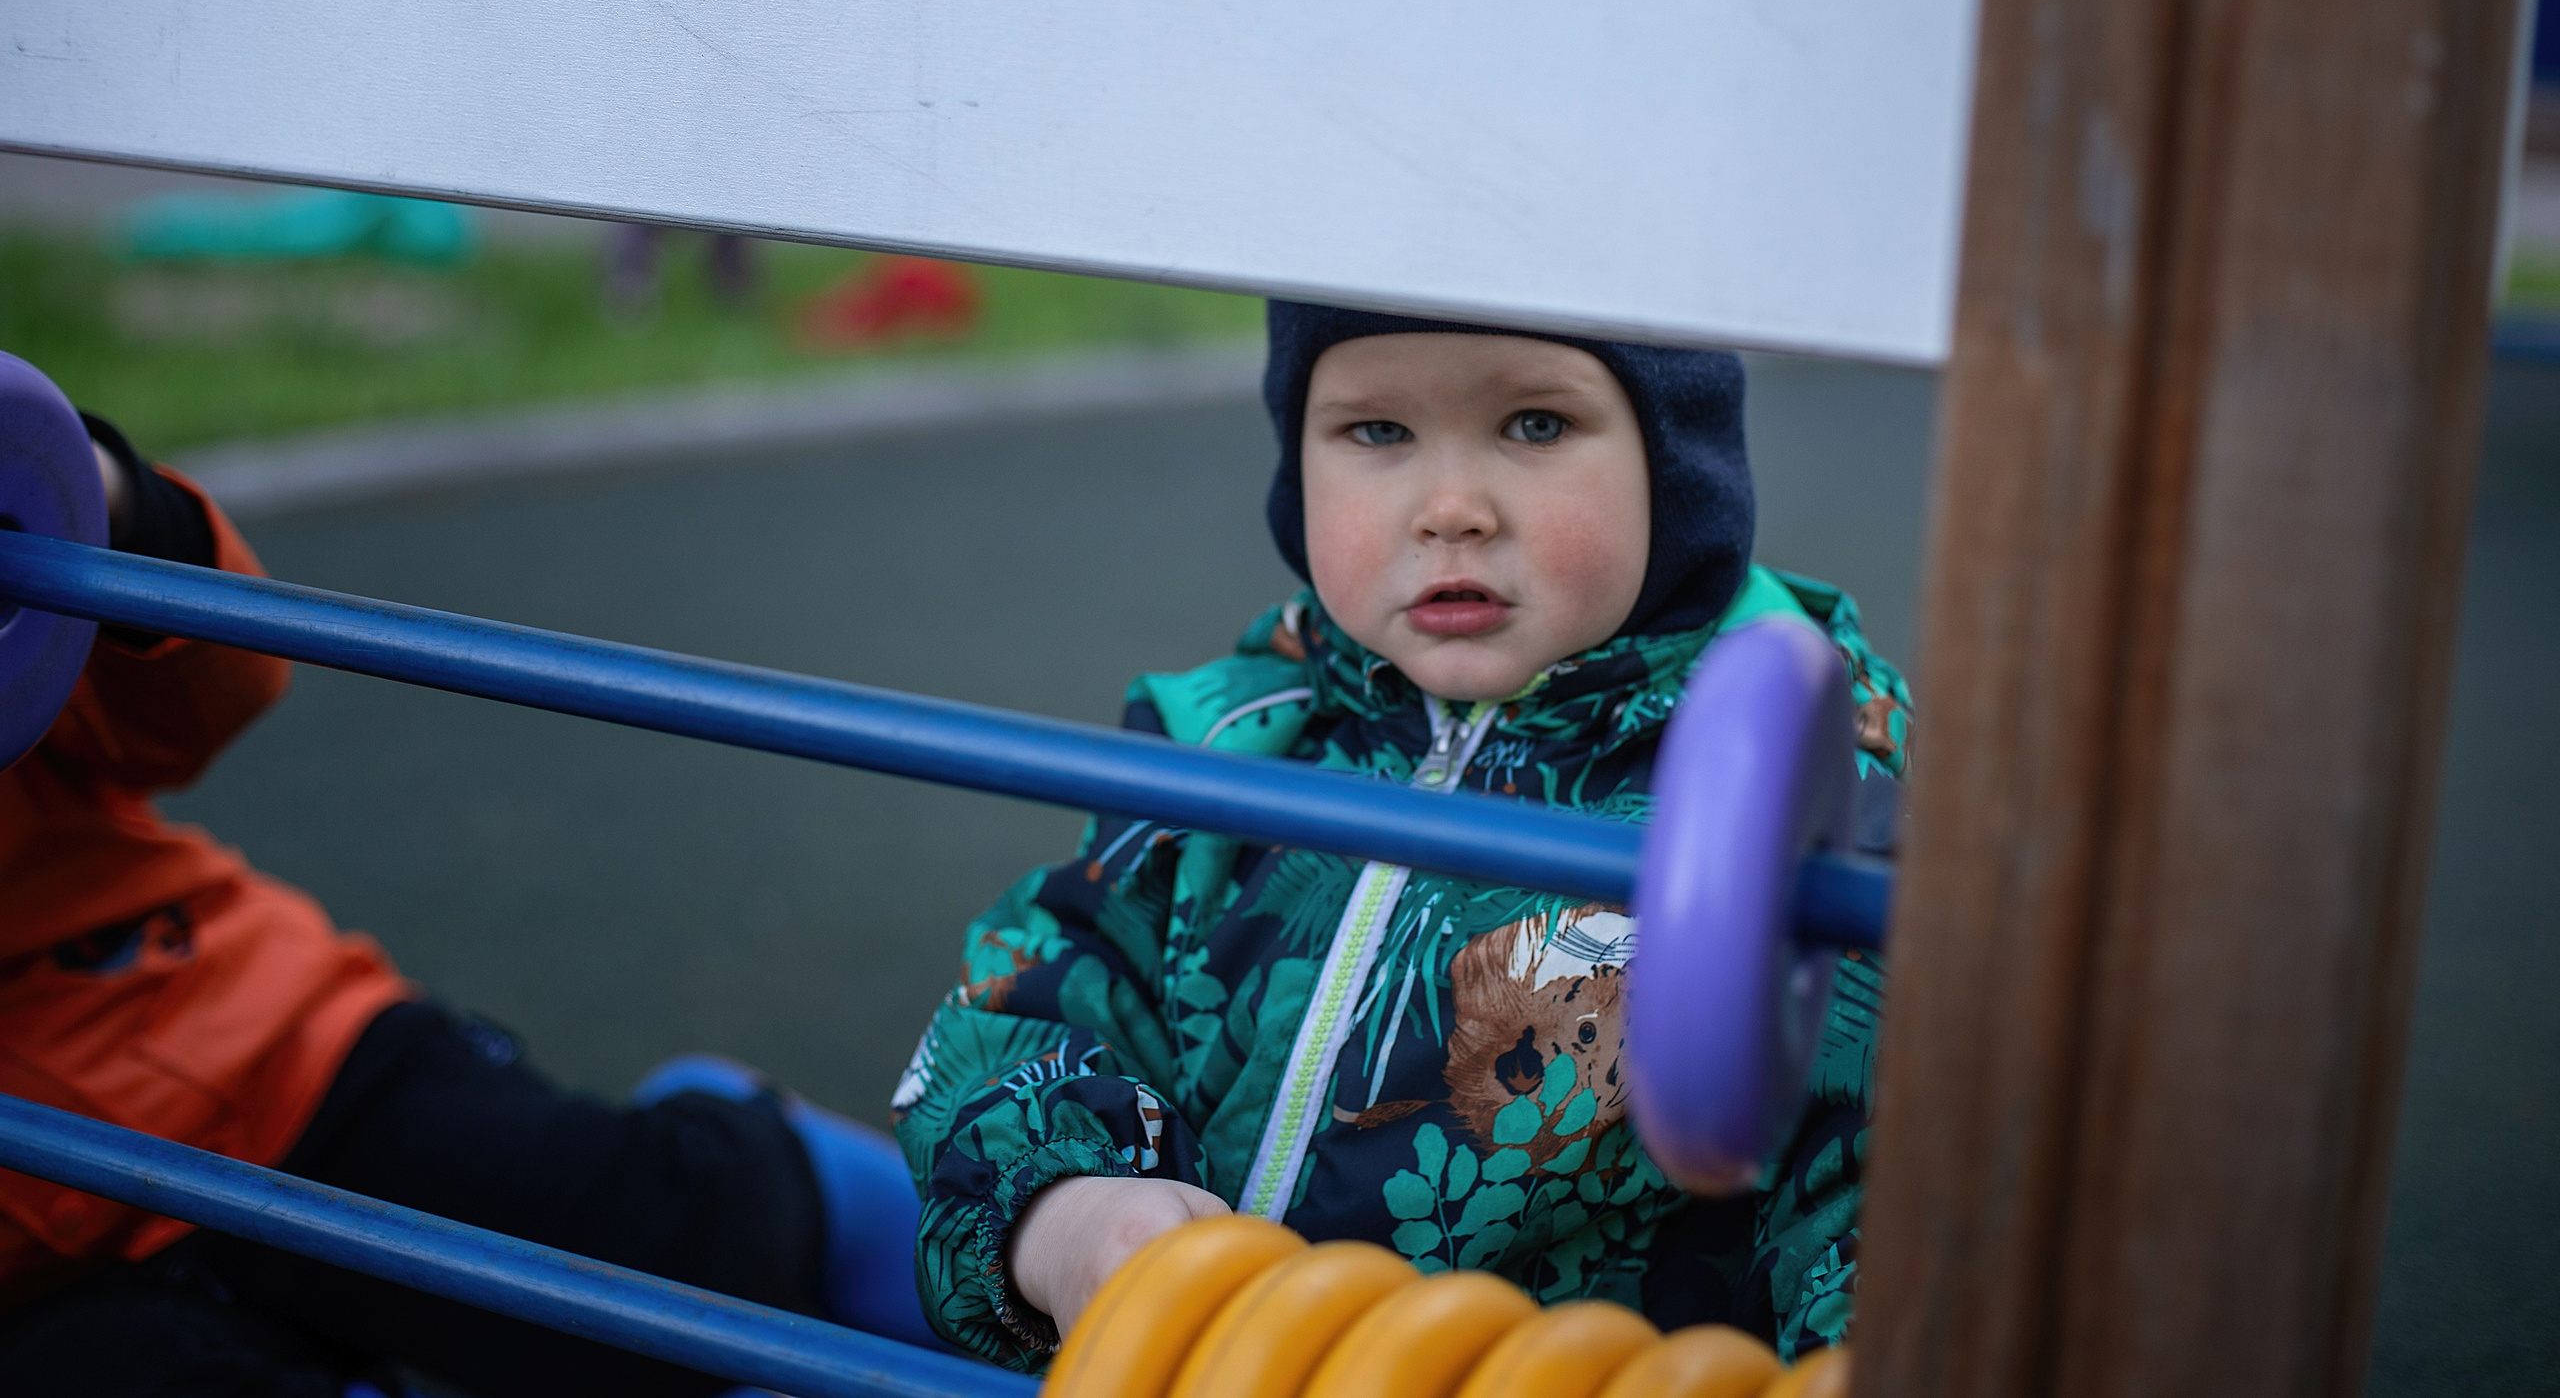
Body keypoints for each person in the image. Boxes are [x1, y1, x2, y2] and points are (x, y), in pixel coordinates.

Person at [892, 305, 1912, 1372]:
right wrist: (1067, 1216)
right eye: (1377, 433)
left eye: (1533, 425)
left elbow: (1882, 1200)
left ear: (1679, 463)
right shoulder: (1235, 737)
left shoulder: (1799, 810)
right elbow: (1035, 1002)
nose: (1450, 508)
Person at [0, 417, 929, 1398]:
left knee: (685, 1248)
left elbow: (206, 697)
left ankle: (787, 1171)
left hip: (244, 1051)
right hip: (40, 1284)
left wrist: (95, 491)